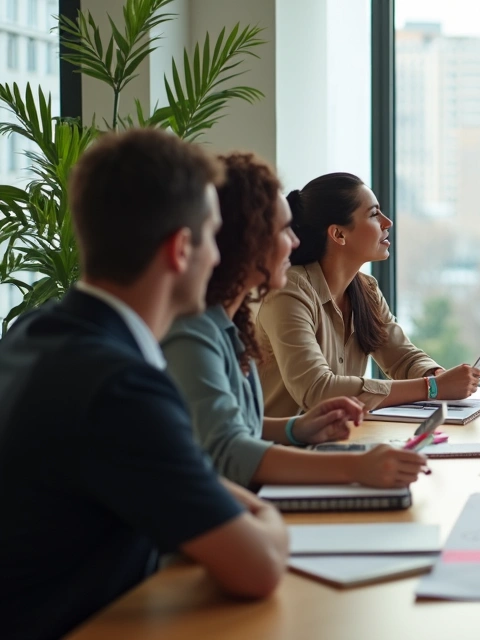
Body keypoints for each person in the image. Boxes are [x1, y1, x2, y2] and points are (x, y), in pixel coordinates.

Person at [0, 129, 288, 640]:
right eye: (211, 237)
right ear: (180, 249)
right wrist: (264, 508)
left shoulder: (33, 334)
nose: (219, 258)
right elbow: (259, 565)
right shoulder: (120, 387)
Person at [163, 153, 429, 489]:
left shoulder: (225, 326)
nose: (296, 242)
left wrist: (295, 429)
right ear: (246, 242)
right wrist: (354, 468)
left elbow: (236, 427)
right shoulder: (194, 333)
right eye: (283, 230)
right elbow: (227, 451)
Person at [256, 172, 480, 417]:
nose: (387, 222)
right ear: (339, 234)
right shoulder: (289, 291)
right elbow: (317, 389)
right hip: (285, 449)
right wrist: (433, 388)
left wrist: (437, 376)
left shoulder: (366, 289)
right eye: (374, 214)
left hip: (340, 441)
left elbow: (402, 358)